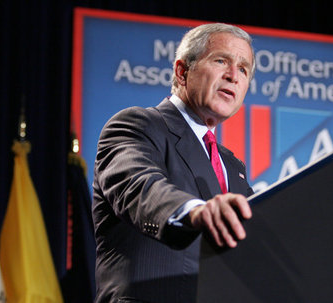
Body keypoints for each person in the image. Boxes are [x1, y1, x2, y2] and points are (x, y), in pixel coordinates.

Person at [92, 23, 255, 302]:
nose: (233, 76)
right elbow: (139, 187)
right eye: (221, 61)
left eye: (243, 69)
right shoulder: (138, 125)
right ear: (182, 71)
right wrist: (194, 211)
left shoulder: (232, 165)